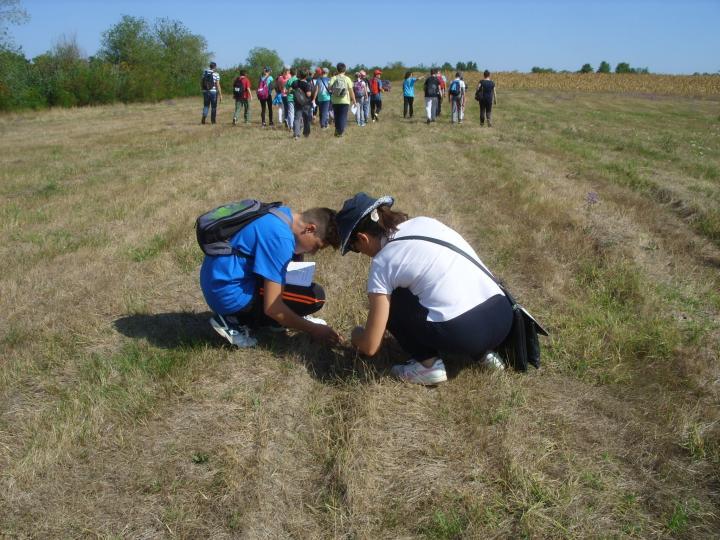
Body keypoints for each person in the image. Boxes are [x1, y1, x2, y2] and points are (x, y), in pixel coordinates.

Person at [336, 193, 513, 385]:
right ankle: (483, 353)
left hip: (467, 334)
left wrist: (356, 336)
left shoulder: (382, 263)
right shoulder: (424, 222)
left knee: (391, 300)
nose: (360, 253)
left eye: (354, 248)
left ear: (362, 238)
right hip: (503, 315)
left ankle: (428, 366)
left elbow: (370, 346)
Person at [200, 204, 342, 348]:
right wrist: (314, 329)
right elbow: (273, 307)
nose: (313, 252)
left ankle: (275, 321)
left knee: (296, 280)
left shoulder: (282, 214)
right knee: (314, 296)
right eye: (317, 246)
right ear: (310, 229)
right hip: (228, 296)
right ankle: (234, 320)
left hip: (218, 281)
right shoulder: (280, 237)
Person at [328, 62, 356, 137]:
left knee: (337, 116)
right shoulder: (347, 79)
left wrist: (334, 89)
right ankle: (340, 132)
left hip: (335, 101)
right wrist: (354, 101)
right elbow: (351, 91)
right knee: (343, 116)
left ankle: (337, 131)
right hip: (345, 101)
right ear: (345, 70)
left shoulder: (334, 78)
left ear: (337, 70)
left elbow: (329, 87)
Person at [291, 68, 314, 139]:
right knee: (306, 119)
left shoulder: (295, 83)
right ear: (306, 76)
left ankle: (296, 134)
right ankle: (306, 133)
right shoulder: (306, 84)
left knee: (297, 118)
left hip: (297, 103)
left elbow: (290, 90)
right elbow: (308, 94)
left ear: (299, 75)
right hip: (306, 104)